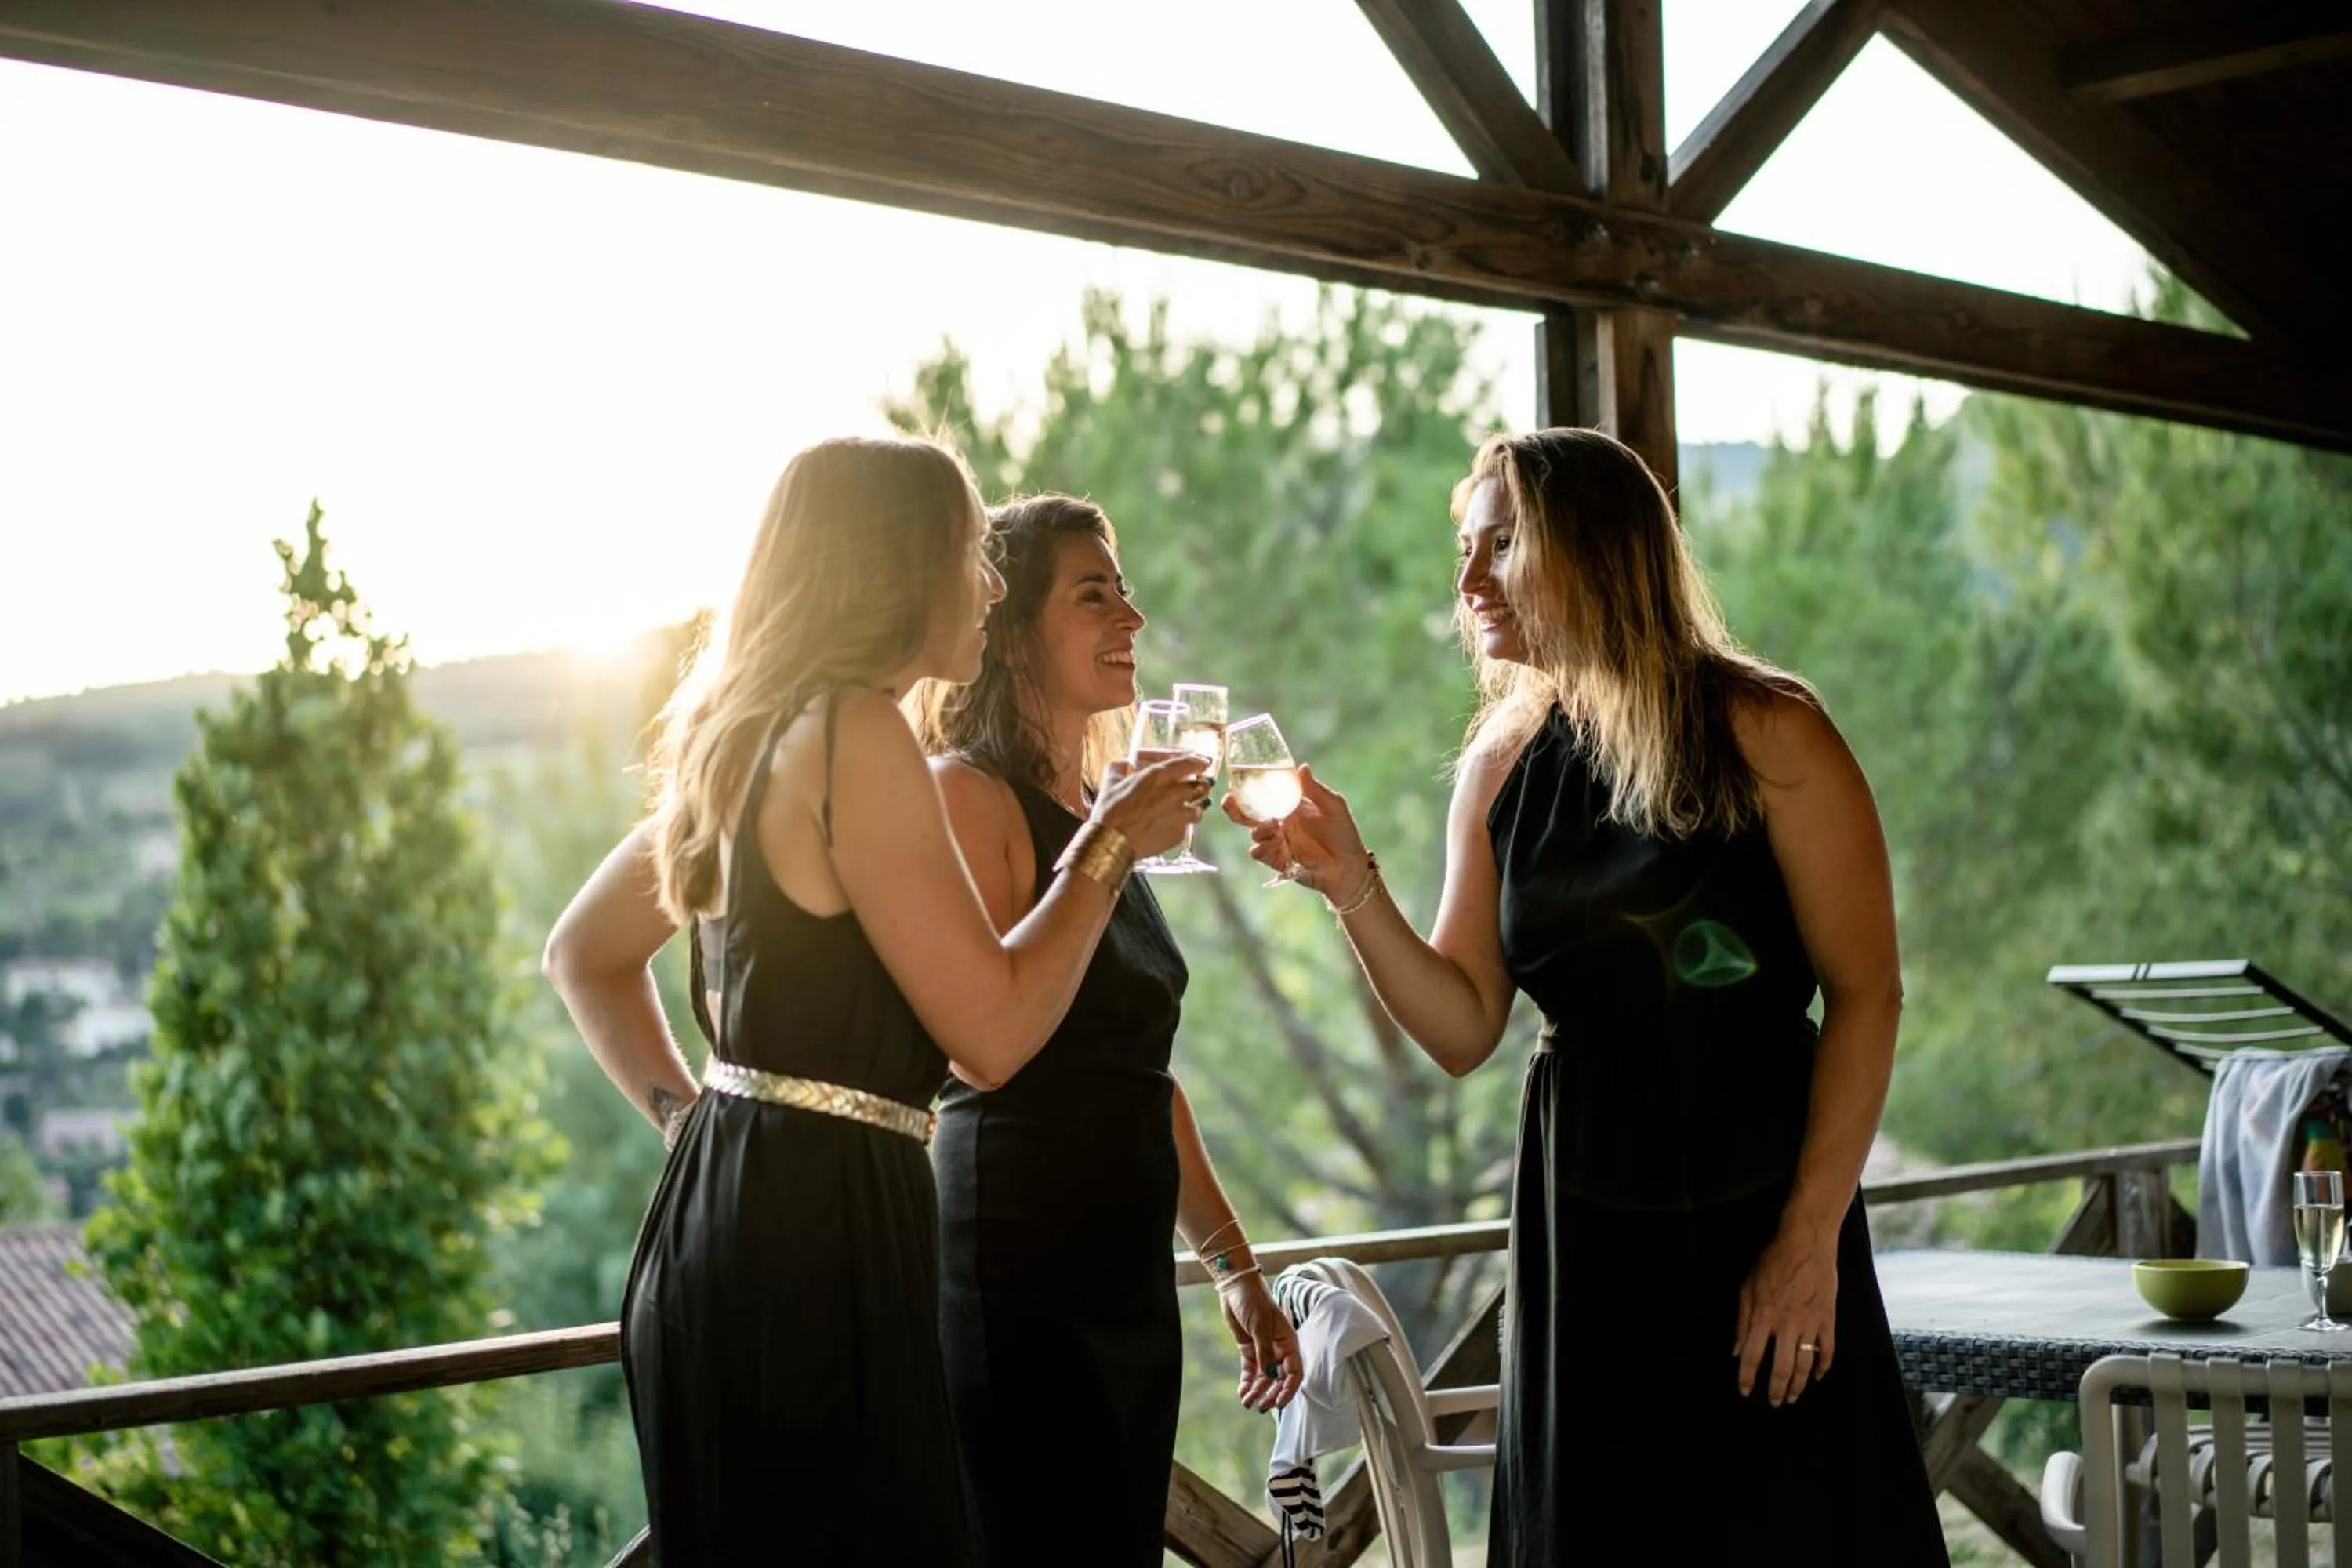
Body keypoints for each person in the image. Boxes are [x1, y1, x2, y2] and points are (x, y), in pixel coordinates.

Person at [1227, 428, 1948, 1565]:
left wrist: (1807, 1246)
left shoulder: (1770, 730)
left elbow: (1869, 994)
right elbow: (1465, 1026)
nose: (1468, 585)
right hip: (1586, 1231)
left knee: (1792, 1525)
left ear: (1598, 548)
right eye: (1464, 551)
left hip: (1764, 1208)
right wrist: (1346, 882)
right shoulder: (1501, 766)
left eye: (1501, 545)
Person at [542, 436, 1210, 1565]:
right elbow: (994, 1038)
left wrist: (694, 1124)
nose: (987, 584)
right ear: (894, 565)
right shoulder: (856, 730)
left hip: (733, 1218)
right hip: (821, 1236)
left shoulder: (744, 733)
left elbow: (583, 954)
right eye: (966, 552)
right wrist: (1105, 848)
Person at [911, 494, 1302, 1567]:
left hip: (1125, 1276)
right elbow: (977, 1039)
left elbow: (1138, 1077)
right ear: (1010, 626)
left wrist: (1233, 1268)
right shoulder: (968, 796)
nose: (1130, 615)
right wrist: (1110, 844)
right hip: (1017, 1261)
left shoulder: (1104, 808)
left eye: (1125, 589)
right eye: (1095, 594)